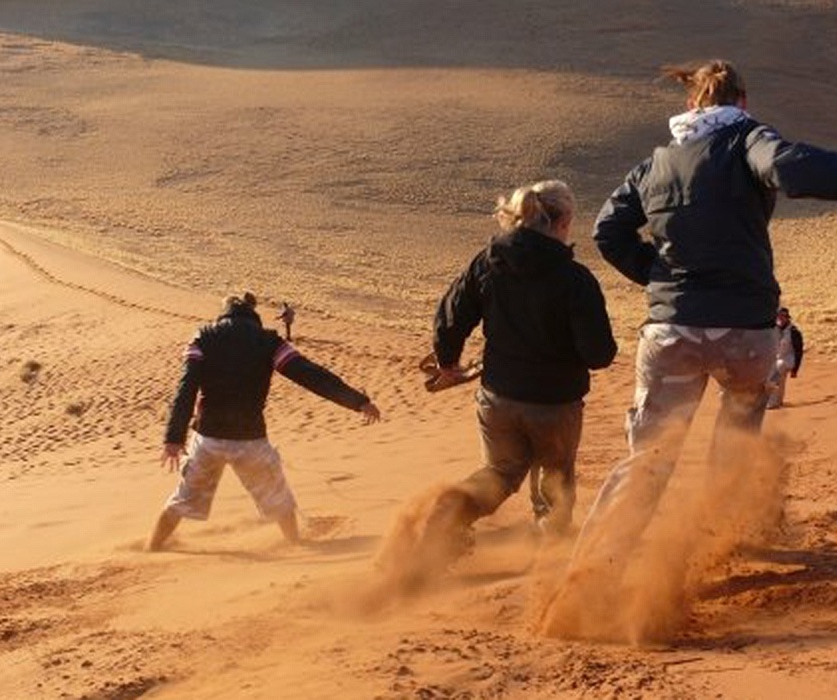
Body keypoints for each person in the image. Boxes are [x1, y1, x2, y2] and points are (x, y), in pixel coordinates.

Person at [573, 59, 837, 565]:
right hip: (745, 330)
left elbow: (606, 230)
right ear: (741, 102)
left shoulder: (654, 165)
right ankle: (723, 544)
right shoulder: (747, 140)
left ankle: (593, 571)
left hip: (671, 331)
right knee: (738, 431)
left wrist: (659, 277)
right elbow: (790, 166)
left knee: (650, 457)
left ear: (691, 105)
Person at [420, 179, 617, 562]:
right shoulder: (574, 280)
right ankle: (551, 559)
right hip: (555, 403)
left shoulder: (488, 261)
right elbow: (598, 353)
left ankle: (453, 513)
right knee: (555, 480)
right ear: (563, 222)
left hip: (498, 397)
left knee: (500, 472)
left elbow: (450, 315)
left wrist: (447, 362)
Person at [150, 292, 380, 551]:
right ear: (253, 315)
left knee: (181, 500)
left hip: (209, 438)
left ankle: (152, 548)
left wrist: (173, 437)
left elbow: (186, 387)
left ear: (224, 313)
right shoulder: (267, 341)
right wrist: (358, 401)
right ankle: (296, 546)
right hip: (250, 439)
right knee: (279, 499)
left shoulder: (203, 337)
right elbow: (309, 374)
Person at [766, 307, 804, 409]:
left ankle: (773, 403)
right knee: (775, 376)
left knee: (777, 370)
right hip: (777, 359)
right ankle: (777, 401)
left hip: (789, 359)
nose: (781, 319)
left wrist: (795, 369)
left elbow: (798, 351)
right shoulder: (773, 330)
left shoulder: (794, 332)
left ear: (787, 318)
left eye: (783, 316)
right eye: (779, 316)